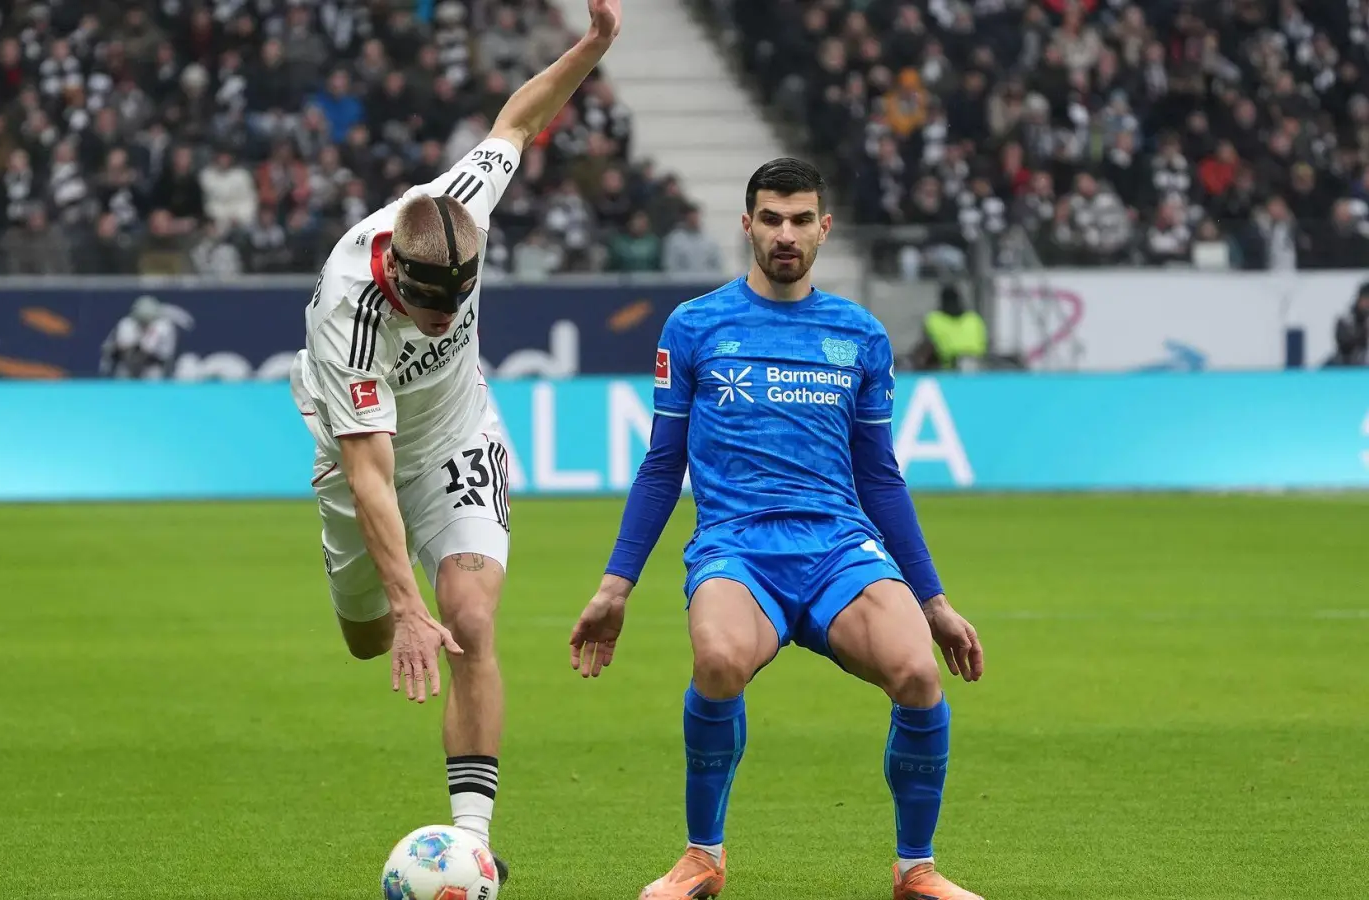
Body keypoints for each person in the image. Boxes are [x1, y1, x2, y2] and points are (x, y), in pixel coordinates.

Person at [569, 159, 987, 900]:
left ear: (825, 228)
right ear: (748, 225)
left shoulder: (860, 335)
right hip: (737, 547)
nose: (785, 234)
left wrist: (935, 601)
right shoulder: (695, 326)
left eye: (800, 220)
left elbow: (881, 477)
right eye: (771, 218)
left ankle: (915, 869)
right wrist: (615, 585)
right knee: (719, 658)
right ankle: (702, 858)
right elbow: (663, 466)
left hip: (838, 549)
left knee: (920, 673)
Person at [286, 0, 623, 883]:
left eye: (455, 305)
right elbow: (368, 474)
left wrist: (590, 47)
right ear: (394, 268)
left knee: (469, 620)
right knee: (369, 640)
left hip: (459, 437)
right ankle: (382, 606)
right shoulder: (346, 314)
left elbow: (519, 117)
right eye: (428, 308)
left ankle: (471, 842)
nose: (443, 319)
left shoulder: (462, 204)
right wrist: (402, 607)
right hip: (360, 460)